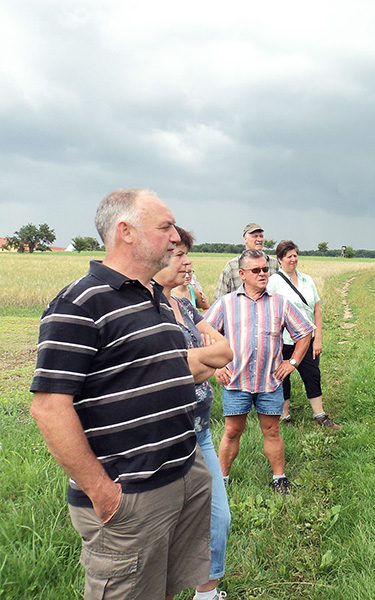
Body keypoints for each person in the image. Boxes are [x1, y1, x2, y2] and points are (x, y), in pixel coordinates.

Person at [29, 188, 213, 600]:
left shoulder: (159, 300)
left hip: (181, 475)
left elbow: (159, 374)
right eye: (165, 227)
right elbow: (48, 408)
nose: (173, 238)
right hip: (130, 496)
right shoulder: (78, 304)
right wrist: (103, 493)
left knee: (165, 590)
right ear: (126, 231)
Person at [154, 227, 233, 600]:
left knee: (219, 519)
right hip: (164, 436)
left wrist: (197, 362)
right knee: (166, 532)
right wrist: (202, 362)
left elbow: (225, 349)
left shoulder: (183, 306)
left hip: (199, 432)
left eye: (188, 254)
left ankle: (207, 592)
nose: (188, 262)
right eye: (179, 254)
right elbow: (159, 372)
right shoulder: (145, 308)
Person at [205, 249, 314, 495]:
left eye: (265, 269)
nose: (263, 274)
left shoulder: (280, 302)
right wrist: (217, 366)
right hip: (236, 380)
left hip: (269, 381)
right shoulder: (226, 303)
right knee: (232, 431)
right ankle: (221, 480)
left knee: (272, 430)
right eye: (256, 270)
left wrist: (293, 362)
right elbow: (204, 333)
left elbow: (304, 332)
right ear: (242, 274)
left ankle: (279, 478)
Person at [267, 240, 340, 430]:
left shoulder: (307, 280)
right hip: (283, 340)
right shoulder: (273, 281)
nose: (293, 259)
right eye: (289, 256)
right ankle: (284, 416)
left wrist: (318, 338)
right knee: (282, 376)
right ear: (280, 259)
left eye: (295, 255)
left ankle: (320, 416)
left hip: (307, 340)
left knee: (313, 374)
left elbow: (317, 310)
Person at [213, 222, 279, 301]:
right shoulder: (232, 266)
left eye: (261, 236)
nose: (259, 239)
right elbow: (220, 298)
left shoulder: (274, 263)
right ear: (245, 239)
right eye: (255, 236)